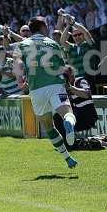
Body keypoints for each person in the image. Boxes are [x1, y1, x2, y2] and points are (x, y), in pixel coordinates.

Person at [13, 16, 78, 168]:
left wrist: (20, 79)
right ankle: (68, 123)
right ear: (42, 27)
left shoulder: (22, 45)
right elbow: (64, 68)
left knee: (49, 126)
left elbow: (18, 64)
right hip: (55, 84)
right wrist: (70, 82)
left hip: (36, 89)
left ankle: (67, 157)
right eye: (46, 25)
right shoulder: (53, 43)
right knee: (67, 112)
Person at [53, 65, 98, 147]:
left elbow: (86, 94)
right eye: (63, 76)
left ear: (72, 74)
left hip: (88, 117)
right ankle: (68, 144)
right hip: (76, 117)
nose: (64, 78)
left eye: (66, 76)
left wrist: (71, 88)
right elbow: (63, 104)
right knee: (58, 117)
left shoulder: (80, 81)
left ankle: (71, 144)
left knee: (65, 120)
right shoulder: (63, 88)